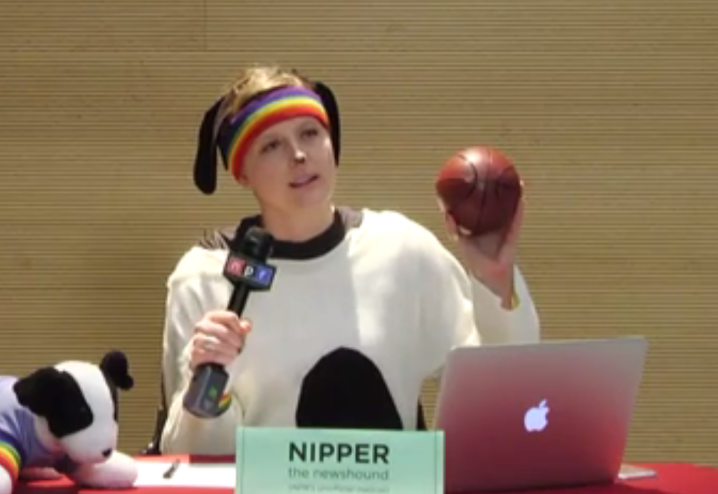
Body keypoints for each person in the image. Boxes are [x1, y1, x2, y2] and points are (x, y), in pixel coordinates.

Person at [155, 65, 540, 455]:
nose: (299, 155)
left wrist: (495, 281)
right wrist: (209, 384)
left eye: (310, 133)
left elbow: (501, 392)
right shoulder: (202, 276)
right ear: (242, 174)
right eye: (271, 145)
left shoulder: (399, 248)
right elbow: (187, 458)